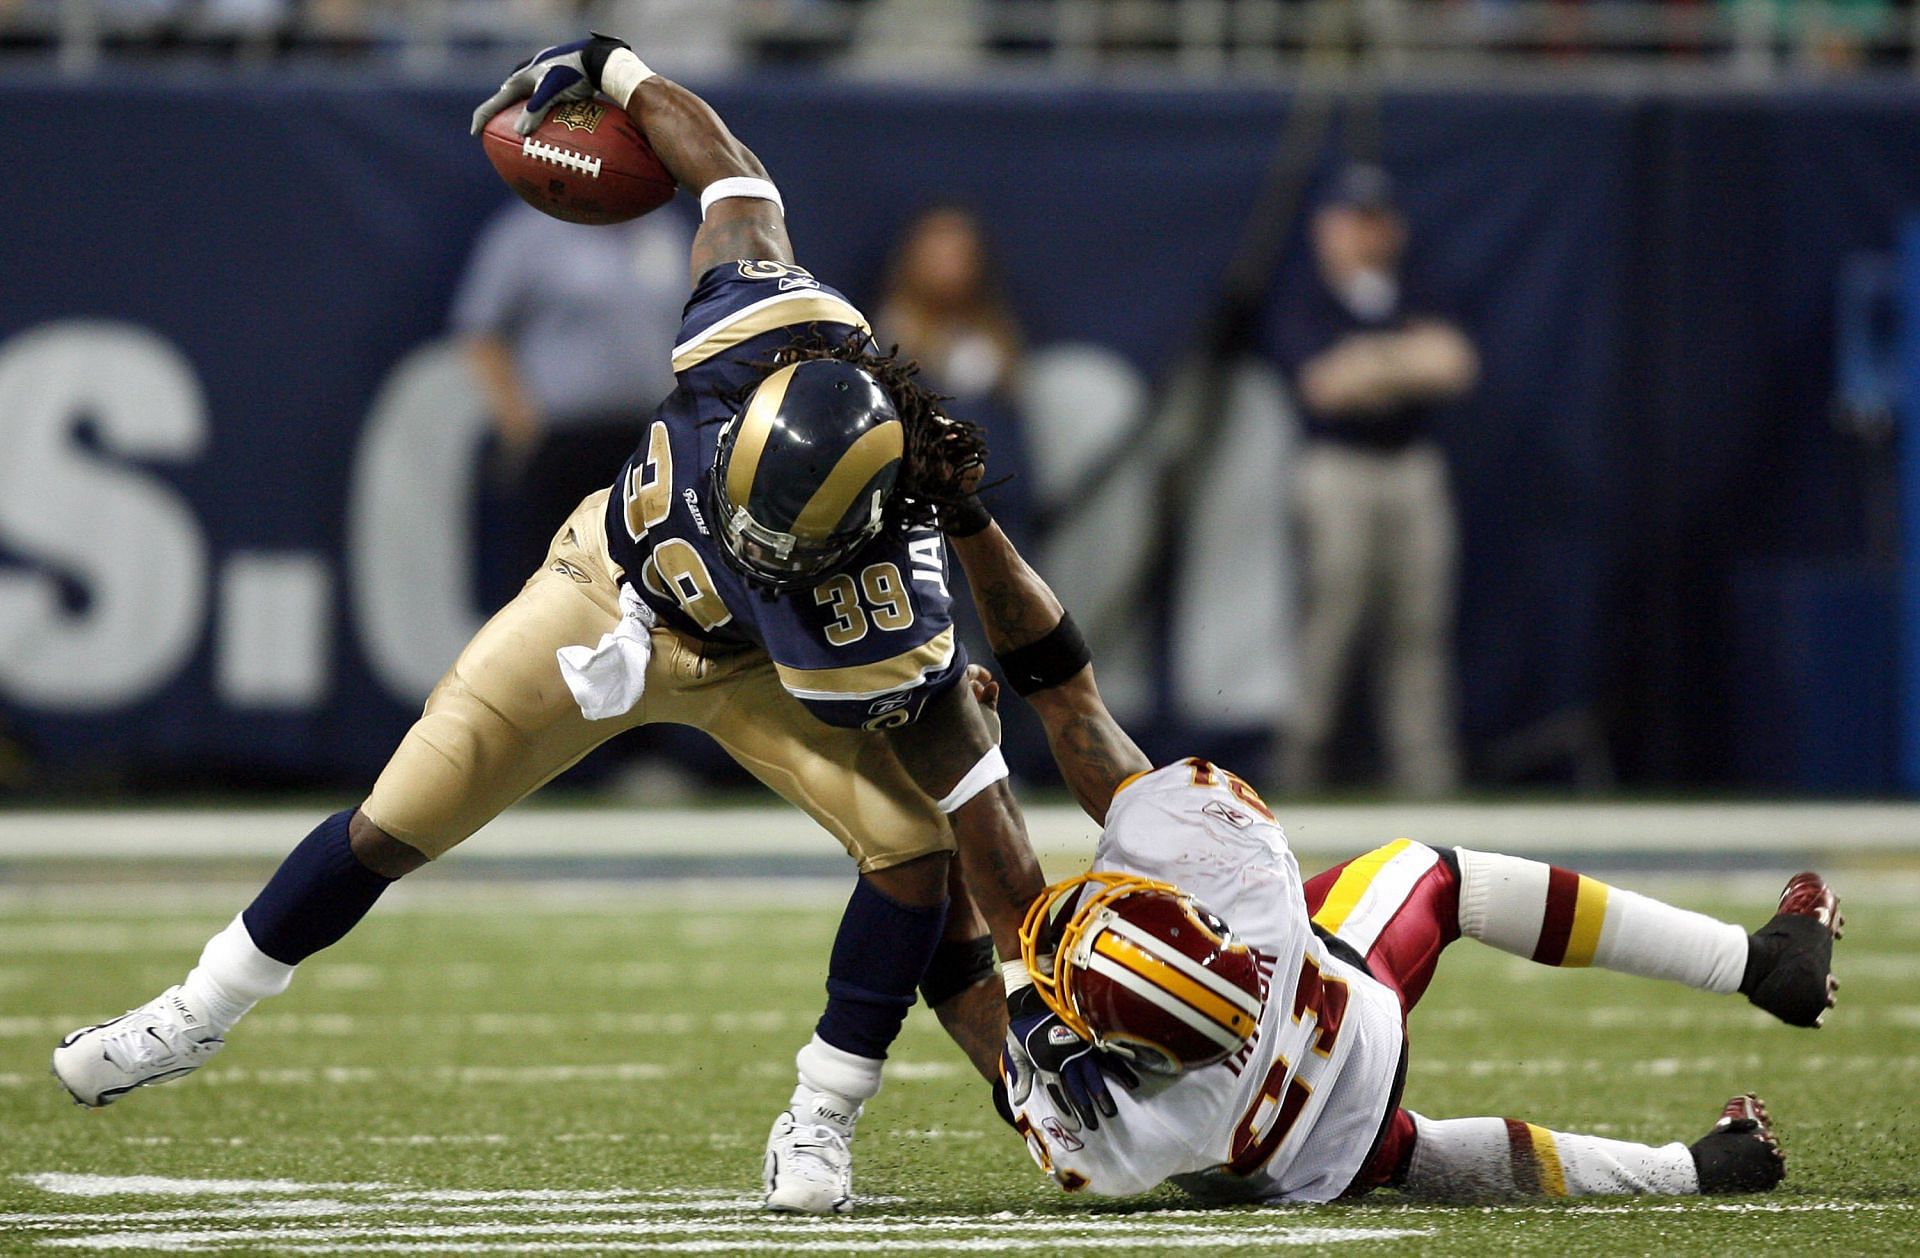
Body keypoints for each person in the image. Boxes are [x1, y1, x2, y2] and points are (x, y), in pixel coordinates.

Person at [51, 34, 1099, 1219]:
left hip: (758, 669)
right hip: (602, 591)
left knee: (912, 851)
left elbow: (982, 819)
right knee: (395, 820)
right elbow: (733, 172)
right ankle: (193, 1013)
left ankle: (821, 1110)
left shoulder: (892, 592)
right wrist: (611, 64)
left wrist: (1020, 981)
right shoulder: (750, 314)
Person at [936, 493, 1840, 1202]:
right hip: (1345, 1031)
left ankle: (1695, 1171)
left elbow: (975, 959)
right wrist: (972, 521)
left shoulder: (1109, 1139)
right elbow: (1067, 695)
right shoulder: (1249, 888)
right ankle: (1757, 964)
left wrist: (977, 940)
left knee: (1403, 1154)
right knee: (1447, 881)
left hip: (1295, 1167)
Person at [1274, 164, 1478, 798]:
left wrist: (1370, 362)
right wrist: (1403, 359)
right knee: (1330, 620)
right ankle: (1297, 772)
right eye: (1351, 220)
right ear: (1325, 229)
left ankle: (1426, 777)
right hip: (1337, 471)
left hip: (1411, 468)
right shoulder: (1306, 297)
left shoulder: (1415, 290)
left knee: (1419, 624)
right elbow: (1324, 385)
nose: (1365, 235)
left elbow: (1456, 365)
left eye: (1376, 220)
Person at [451, 200, 691, 593]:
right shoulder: (530, 233)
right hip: (563, 446)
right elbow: (481, 331)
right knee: (553, 590)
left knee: (646, 590)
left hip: (650, 445)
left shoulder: (664, 231)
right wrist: (519, 423)